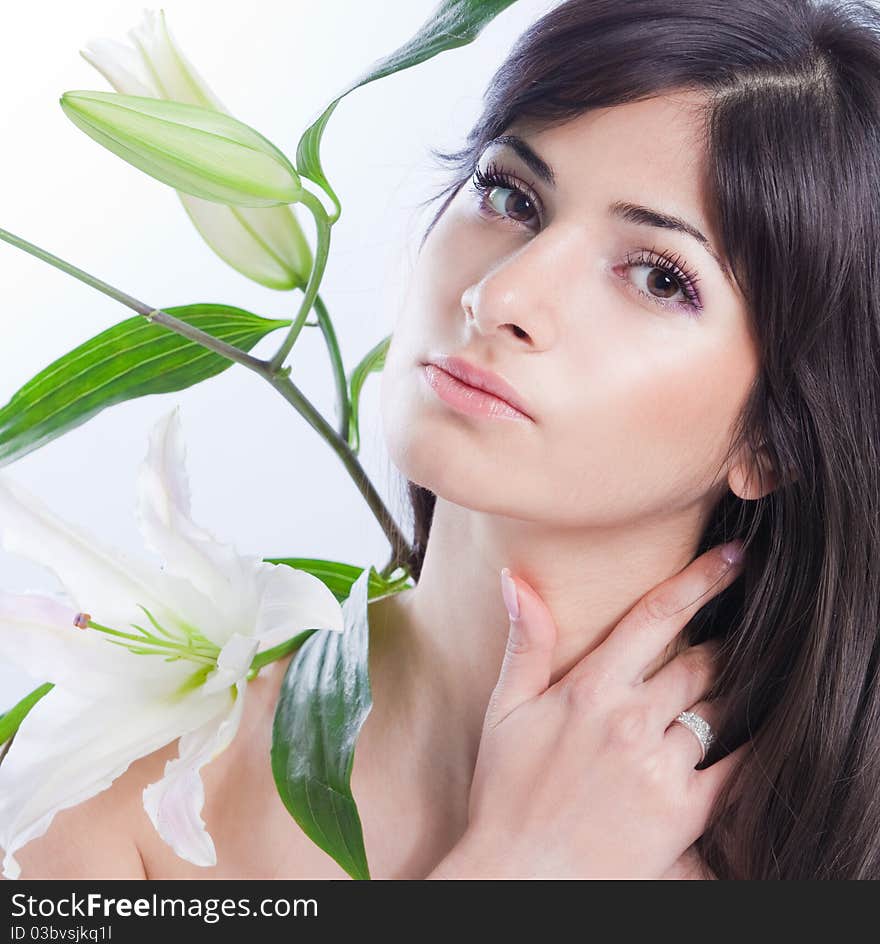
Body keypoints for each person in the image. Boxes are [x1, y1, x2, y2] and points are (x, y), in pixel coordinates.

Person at [11, 0, 880, 879]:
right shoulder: (124, 792)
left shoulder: (828, 851)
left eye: (658, 277)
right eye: (510, 196)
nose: (500, 296)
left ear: (772, 441)